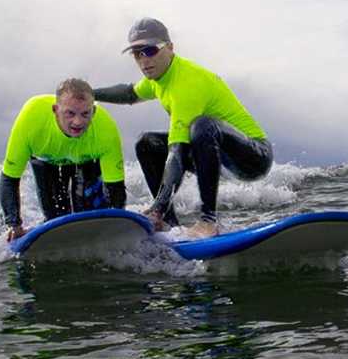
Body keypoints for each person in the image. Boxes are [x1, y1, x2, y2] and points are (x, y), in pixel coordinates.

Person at [93, 17, 272, 238]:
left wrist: (156, 206)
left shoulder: (186, 82)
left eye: (150, 50)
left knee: (202, 125)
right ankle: (169, 224)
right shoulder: (157, 79)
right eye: (137, 53)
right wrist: (90, 93)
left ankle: (207, 220)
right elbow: (129, 93)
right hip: (212, 156)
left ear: (169, 48)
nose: (143, 60)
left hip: (253, 156)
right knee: (146, 143)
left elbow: (176, 153)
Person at [0, 78, 127, 241]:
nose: (78, 122)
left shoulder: (106, 130)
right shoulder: (31, 119)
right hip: (47, 162)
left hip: (86, 162)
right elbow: (10, 178)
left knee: (88, 218)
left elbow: (115, 188)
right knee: (55, 219)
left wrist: (116, 227)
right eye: (70, 113)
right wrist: (14, 225)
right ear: (55, 110)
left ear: (93, 112)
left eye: (85, 114)